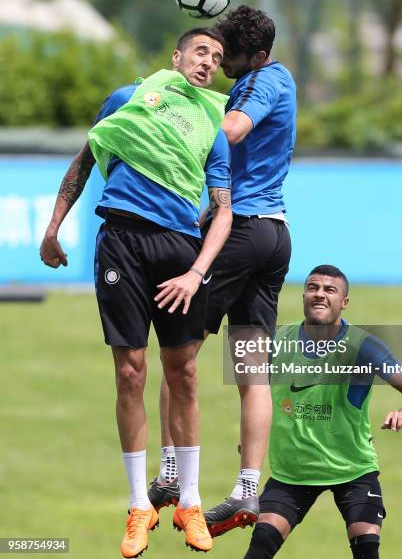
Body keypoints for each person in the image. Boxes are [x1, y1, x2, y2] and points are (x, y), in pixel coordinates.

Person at [39, 27, 233, 558]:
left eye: (216, 58)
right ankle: (137, 506)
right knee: (130, 371)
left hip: (180, 252)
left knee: (185, 373)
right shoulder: (129, 97)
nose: (208, 62)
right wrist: (53, 228)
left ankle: (189, 500)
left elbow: (222, 209)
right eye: (200, 52)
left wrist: (196, 273)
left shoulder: (212, 124)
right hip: (121, 241)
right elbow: (85, 159)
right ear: (175, 56)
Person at [148, 5, 296, 536]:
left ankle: (169, 474)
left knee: (177, 349)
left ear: (256, 56)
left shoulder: (263, 81)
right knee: (252, 370)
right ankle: (247, 491)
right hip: (273, 233)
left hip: (242, 232)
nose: (221, 62)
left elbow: (231, 129)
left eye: (228, 54)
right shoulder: (263, 77)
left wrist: (176, 108)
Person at [242, 264, 402, 559]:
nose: (319, 295)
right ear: (303, 295)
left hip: (352, 469)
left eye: (330, 290)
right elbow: (257, 397)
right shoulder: (277, 341)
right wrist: (252, 435)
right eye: (313, 288)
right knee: (261, 545)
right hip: (293, 472)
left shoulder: (362, 345)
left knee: (366, 544)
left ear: (344, 302)